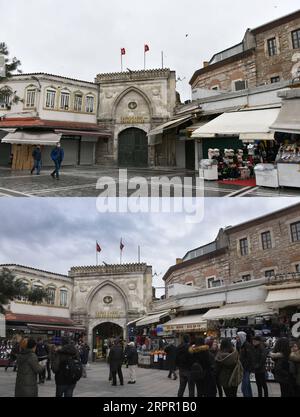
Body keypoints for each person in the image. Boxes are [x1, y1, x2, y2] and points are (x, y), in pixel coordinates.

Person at [236, 331, 255, 397]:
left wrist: (243, 366)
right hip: (243, 368)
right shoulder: (240, 345)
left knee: (244, 386)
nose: (236, 338)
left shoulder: (247, 345)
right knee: (246, 385)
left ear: (241, 337)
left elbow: (249, 358)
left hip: (246, 368)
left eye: (238, 337)